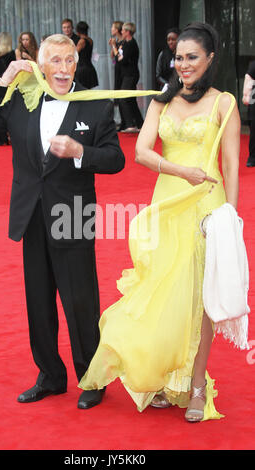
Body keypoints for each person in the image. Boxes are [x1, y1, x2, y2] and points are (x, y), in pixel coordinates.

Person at [79, 22, 240, 423]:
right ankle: (170, 379)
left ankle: (198, 383)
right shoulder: (161, 101)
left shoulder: (225, 104)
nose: (182, 64)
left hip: (207, 207)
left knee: (202, 300)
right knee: (164, 293)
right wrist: (179, 170)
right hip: (166, 205)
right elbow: (143, 152)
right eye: (178, 57)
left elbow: (234, 164)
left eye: (192, 57)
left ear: (210, 59)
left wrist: (230, 218)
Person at [0, 34, 125, 409]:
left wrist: (79, 152)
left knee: (80, 302)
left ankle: (92, 377)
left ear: (77, 62)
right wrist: (3, 80)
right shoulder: (23, 98)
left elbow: (115, 159)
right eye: (54, 61)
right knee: (38, 301)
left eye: (69, 60)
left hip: (72, 214)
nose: (62, 68)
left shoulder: (95, 103)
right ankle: (50, 376)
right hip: (31, 214)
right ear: (40, 65)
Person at [118, 22, 143, 133]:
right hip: (126, 74)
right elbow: (118, 57)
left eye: (123, 30)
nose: (121, 32)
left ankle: (130, 124)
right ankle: (140, 123)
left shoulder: (131, 44)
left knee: (123, 98)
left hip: (130, 74)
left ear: (128, 32)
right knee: (131, 99)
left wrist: (120, 58)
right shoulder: (125, 43)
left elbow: (123, 60)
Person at [109, 21, 124, 129]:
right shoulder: (118, 41)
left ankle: (128, 121)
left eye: (113, 28)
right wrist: (113, 46)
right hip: (118, 70)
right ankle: (123, 120)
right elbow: (112, 56)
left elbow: (119, 56)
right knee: (118, 95)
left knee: (123, 96)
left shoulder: (123, 42)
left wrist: (114, 45)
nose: (111, 30)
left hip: (124, 71)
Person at [75, 21, 98, 89]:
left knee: (82, 89)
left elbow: (75, 53)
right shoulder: (90, 40)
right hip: (89, 67)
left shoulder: (82, 41)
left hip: (82, 69)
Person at [242, 60, 255, 167]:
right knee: (254, 129)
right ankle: (253, 157)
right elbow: (248, 80)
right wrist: (246, 95)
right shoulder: (254, 65)